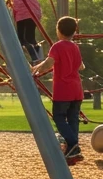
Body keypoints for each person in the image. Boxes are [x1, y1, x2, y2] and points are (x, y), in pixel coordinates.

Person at [31, 16, 85, 164]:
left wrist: (35, 71)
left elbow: (49, 63)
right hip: (77, 89)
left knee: (59, 117)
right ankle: (72, 150)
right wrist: (37, 67)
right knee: (73, 119)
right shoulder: (75, 47)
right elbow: (81, 67)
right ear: (74, 31)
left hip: (63, 89)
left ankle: (74, 145)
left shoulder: (57, 46)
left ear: (58, 30)